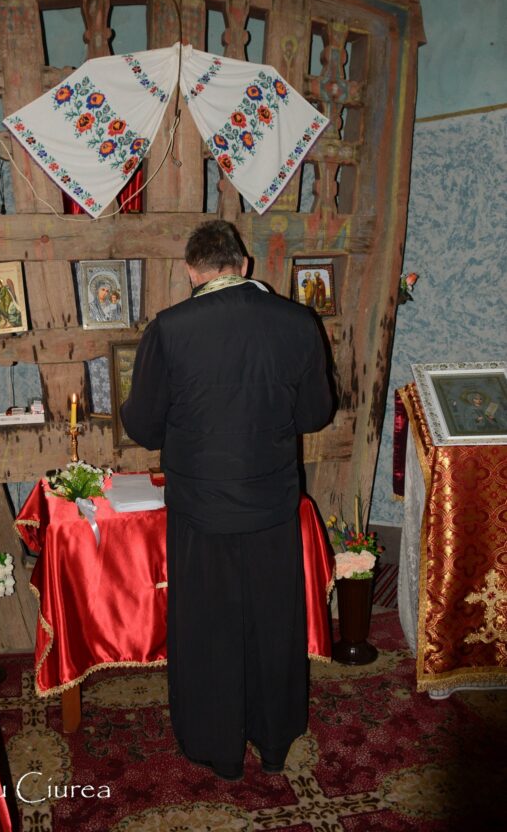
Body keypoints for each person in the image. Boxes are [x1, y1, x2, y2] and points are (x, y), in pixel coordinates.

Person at [120, 220, 333, 781]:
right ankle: (275, 742)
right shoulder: (298, 321)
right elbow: (316, 414)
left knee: (208, 626)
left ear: (193, 271)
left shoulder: (169, 328)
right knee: (272, 622)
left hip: (200, 510)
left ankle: (219, 752)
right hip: (270, 504)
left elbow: (142, 427)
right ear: (244, 264)